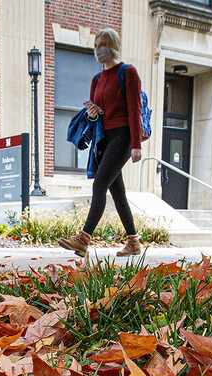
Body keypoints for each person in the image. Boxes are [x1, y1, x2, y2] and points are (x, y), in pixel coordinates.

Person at [57, 29, 143, 258]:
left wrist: (136, 144)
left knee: (99, 185)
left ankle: (83, 240)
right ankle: (133, 242)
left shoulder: (128, 72)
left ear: (113, 46)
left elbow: (135, 109)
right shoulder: (96, 78)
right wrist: (93, 113)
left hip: (123, 136)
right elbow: (94, 114)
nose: (98, 49)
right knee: (117, 191)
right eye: (96, 45)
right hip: (104, 137)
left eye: (103, 44)